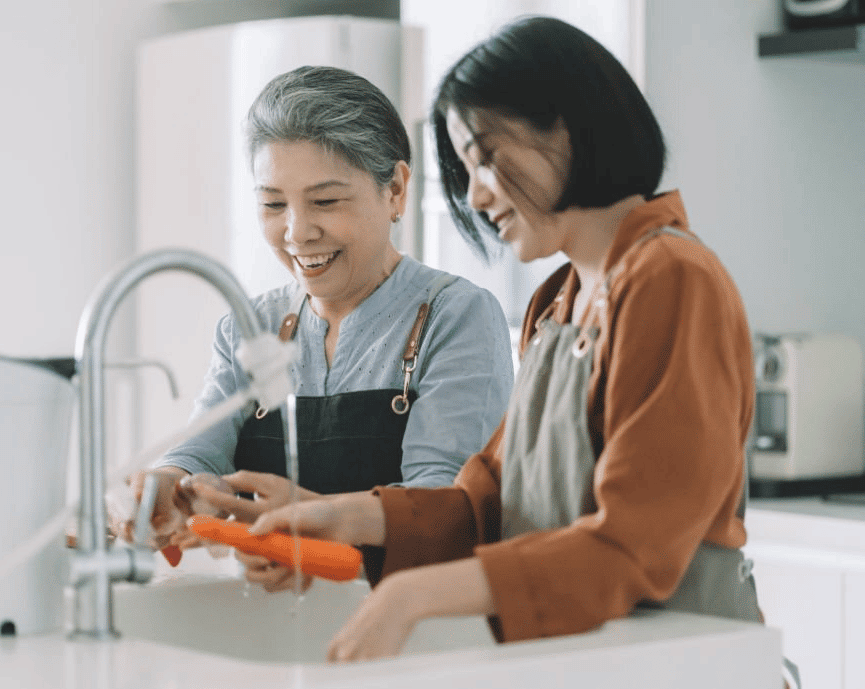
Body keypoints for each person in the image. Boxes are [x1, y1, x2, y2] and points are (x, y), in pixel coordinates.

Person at [200, 15, 768, 666]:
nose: (475, 194)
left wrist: (410, 595)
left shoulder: (670, 278)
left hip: (682, 667)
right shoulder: (558, 303)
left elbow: (632, 545)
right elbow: (484, 507)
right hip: (589, 664)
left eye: (486, 158)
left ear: (567, 128)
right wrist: (338, 519)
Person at [129, 65, 514, 560]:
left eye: (326, 201)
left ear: (395, 190)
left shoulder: (456, 316)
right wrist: (166, 487)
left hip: (405, 616)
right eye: (272, 205)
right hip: (275, 610)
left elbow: (444, 507)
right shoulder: (249, 328)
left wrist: (315, 523)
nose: (297, 232)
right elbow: (198, 452)